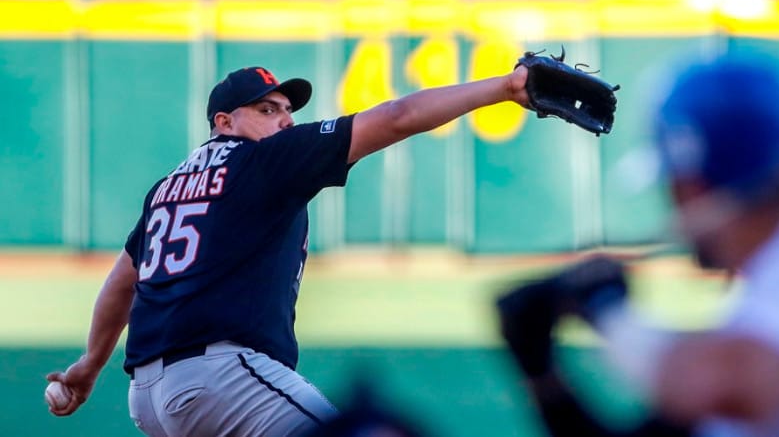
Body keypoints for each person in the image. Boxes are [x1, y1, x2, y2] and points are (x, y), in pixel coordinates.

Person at [45, 64, 530, 436]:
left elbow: (124, 280)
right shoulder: (263, 160)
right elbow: (398, 117)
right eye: (267, 109)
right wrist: (505, 89)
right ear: (224, 121)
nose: (284, 120)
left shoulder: (166, 187)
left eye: (286, 109)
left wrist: (89, 364)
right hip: (223, 378)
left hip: (149, 399)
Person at [497, 52, 779, 437]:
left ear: (691, 187)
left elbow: (719, 382)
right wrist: (541, 373)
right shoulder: (771, 288)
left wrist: (608, 311)